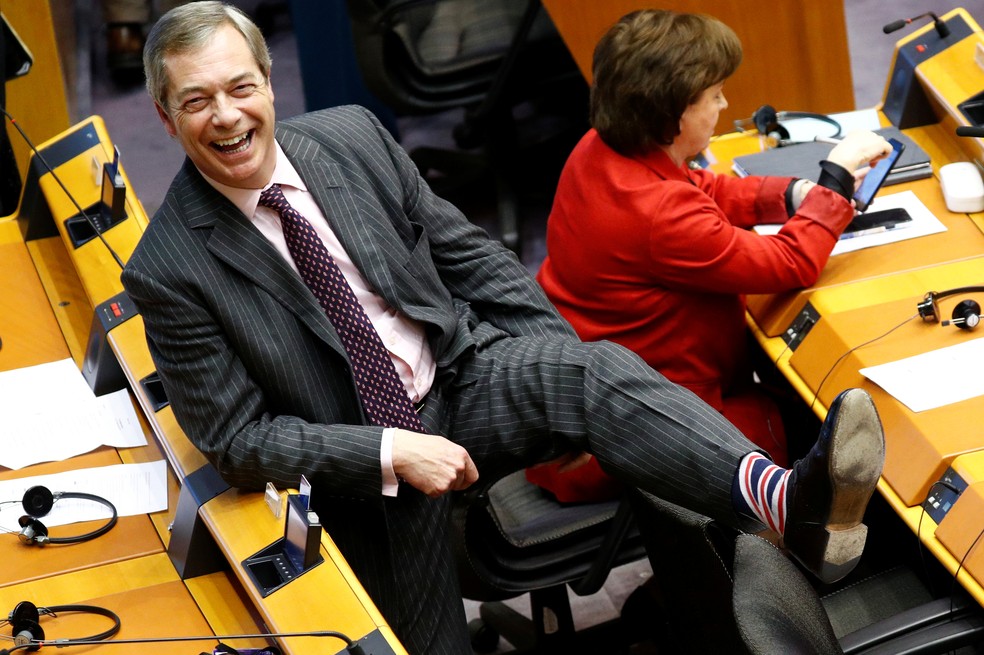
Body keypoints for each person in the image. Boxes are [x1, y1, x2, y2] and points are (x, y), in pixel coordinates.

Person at [121, 4, 886, 653]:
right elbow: (237, 440)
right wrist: (392, 450)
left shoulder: (351, 136)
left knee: (593, 370)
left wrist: (548, 359)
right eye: (196, 101)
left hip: (459, 374)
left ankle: (788, 503)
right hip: (363, 463)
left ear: (267, 85)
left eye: (240, 87)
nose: (225, 115)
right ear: (163, 115)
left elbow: (468, 253)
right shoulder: (168, 268)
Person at [528, 9, 892, 505]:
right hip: (656, 423)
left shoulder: (600, 147)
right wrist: (834, 183)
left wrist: (791, 194)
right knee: (843, 437)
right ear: (673, 114)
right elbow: (789, 263)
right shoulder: (661, 215)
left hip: (598, 400)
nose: (724, 103)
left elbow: (699, 185)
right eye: (714, 95)